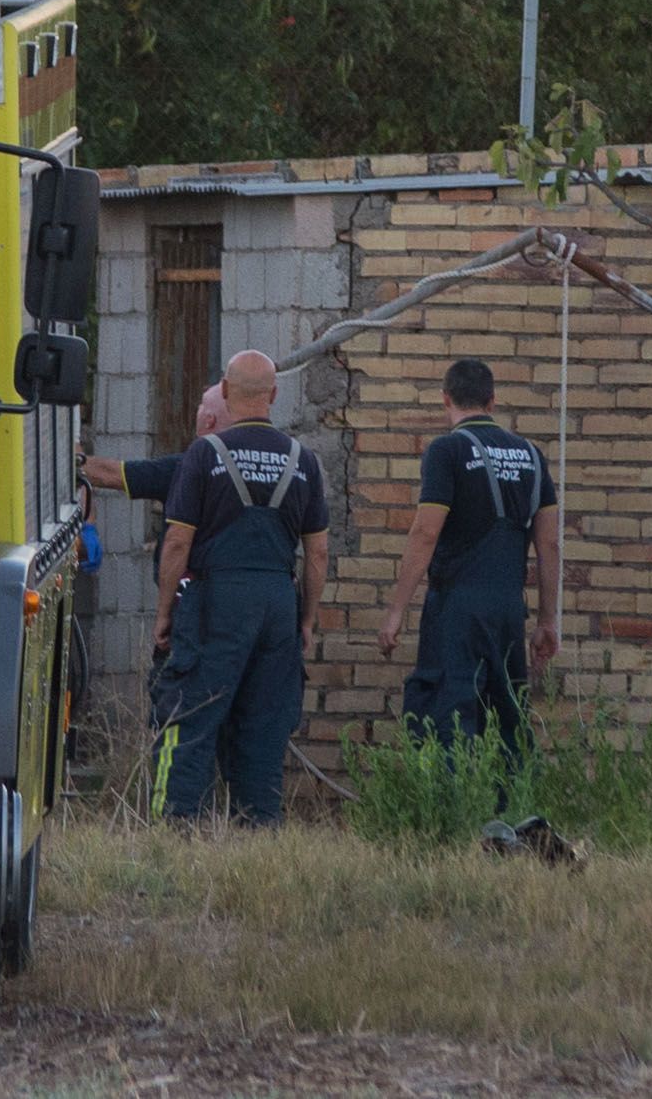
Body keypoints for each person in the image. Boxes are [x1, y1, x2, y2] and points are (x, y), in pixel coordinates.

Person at [146, 349, 329, 825]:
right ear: (274, 394)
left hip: (217, 600)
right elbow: (318, 554)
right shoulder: (304, 460)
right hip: (278, 603)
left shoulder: (205, 454)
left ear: (225, 391)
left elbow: (177, 542)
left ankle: (175, 827)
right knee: (264, 729)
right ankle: (260, 830)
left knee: (189, 717)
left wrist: (165, 613)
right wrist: (306, 619)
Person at [374, 358, 562, 748]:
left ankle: (451, 789)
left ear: (446, 399)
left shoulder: (447, 450)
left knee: (448, 719)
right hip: (509, 610)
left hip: (457, 610)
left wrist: (396, 611)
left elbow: (426, 532)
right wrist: (547, 620)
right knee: (507, 722)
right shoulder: (531, 455)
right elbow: (549, 544)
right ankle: (510, 790)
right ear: (492, 401)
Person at [81, 381, 229, 505]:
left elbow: (108, 474)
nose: (198, 409)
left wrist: (72, 458)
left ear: (209, 420)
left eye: (202, 405)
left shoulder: (184, 467)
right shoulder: (241, 463)